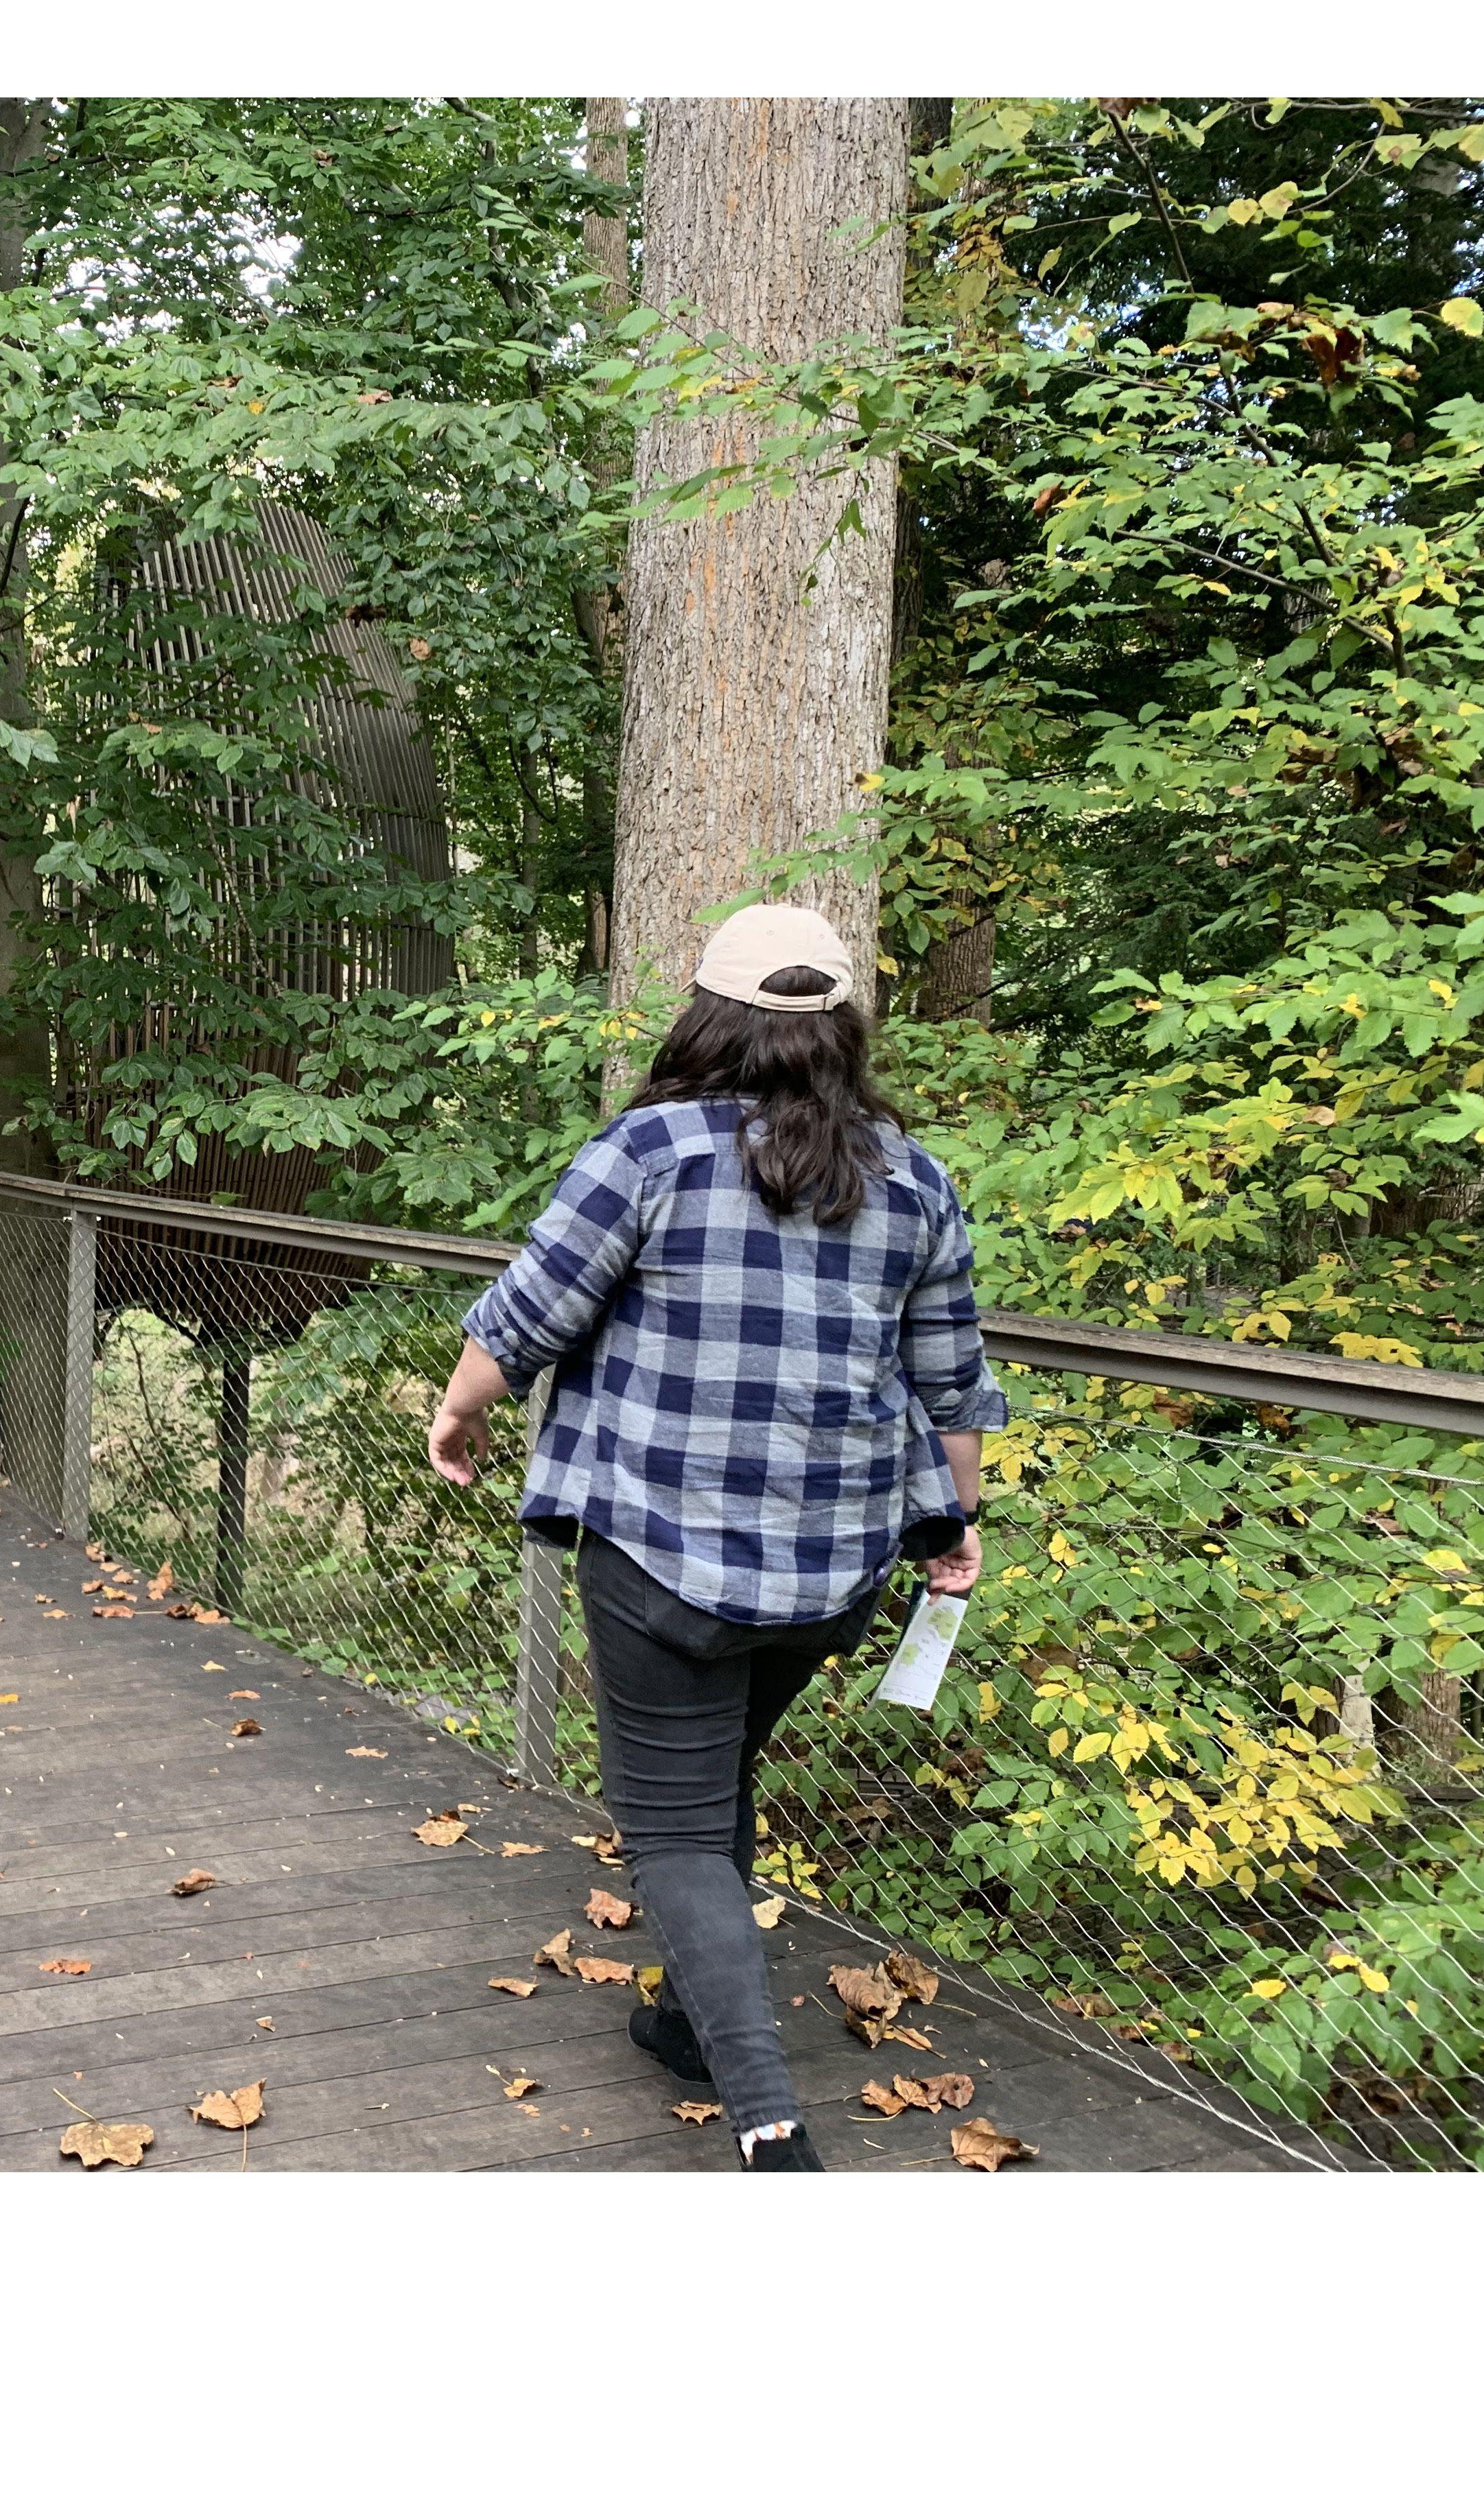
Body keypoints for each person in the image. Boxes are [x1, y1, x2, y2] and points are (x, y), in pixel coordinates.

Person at [427, 902, 1003, 2170]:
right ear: (842, 1027)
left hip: (658, 1558)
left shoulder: (650, 1150)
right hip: (833, 1567)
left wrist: (459, 1417)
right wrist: (957, 1519)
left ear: (706, 1013)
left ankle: (768, 2123)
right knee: (718, 1773)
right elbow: (955, 1383)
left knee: (680, 1826)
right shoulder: (914, 1179)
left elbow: (525, 1317)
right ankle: (688, 2024)